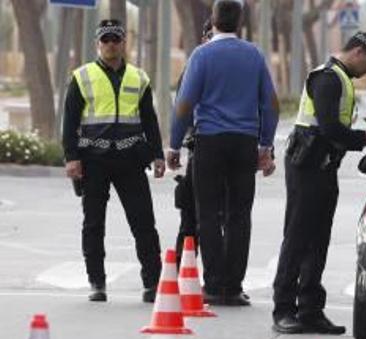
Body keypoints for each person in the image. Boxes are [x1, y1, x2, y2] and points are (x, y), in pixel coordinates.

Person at [272, 32, 366, 335]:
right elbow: (330, 129)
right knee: (297, 239)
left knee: (318, 240)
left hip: (323, 168)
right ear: (360, 52)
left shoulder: (341, 80)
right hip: (307, 167)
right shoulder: (328, 78)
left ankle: (310, 310)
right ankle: (283, 309)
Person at [168, 0, 279, 306]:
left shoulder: (202, 55)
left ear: (212, 20)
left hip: (210, 143)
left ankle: (214, 285)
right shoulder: (254, 55)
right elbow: (270, 104)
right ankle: (233, 286)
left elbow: (185, 104)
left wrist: (174, 145)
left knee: (208, 213)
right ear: (239, 22)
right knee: (239, 216)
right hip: (244, 144)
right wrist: (265, 147)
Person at [63, 19, 165, 303]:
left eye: (115, 39)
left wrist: (157, 154)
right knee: (94, 223)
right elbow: (70, 121)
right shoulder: (82, 77)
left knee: (144, 222)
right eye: (105, 39)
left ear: (123, 43)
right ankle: (97, 282)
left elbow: (150, 120)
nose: (110, 44)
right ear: (98, 43)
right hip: (93, 160)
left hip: (130, 158)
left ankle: (153, 283)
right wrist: (72, 158)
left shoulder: (139, 78)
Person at [174, 19, 215, 265]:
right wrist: (177, 143)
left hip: (227, 153)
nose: (213, 40)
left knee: (221, 219)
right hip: (199, 148)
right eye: (210, 35)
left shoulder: (239, 67)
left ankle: (220, 279)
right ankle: (183, 268)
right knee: (191, 215)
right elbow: (183, 109)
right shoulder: (193, 68)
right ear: (203, 39)